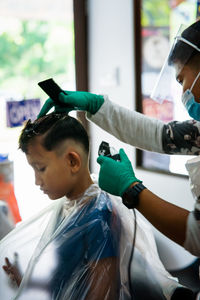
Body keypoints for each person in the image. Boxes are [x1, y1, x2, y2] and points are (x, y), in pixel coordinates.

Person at [38, 20, 200, 260]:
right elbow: (158, 134)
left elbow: (197, 236)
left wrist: (132, 190)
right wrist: (96, 105)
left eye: (182, 80)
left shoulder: (97, 221)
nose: (183, 93)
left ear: (73, 160)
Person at [1, 113, 196, 300]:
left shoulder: (98, 217)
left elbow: (103, 294)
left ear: (72, 161)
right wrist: (25, 281)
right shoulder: (67, 209)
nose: (36, 181)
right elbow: (64, 276)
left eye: (41, 168)